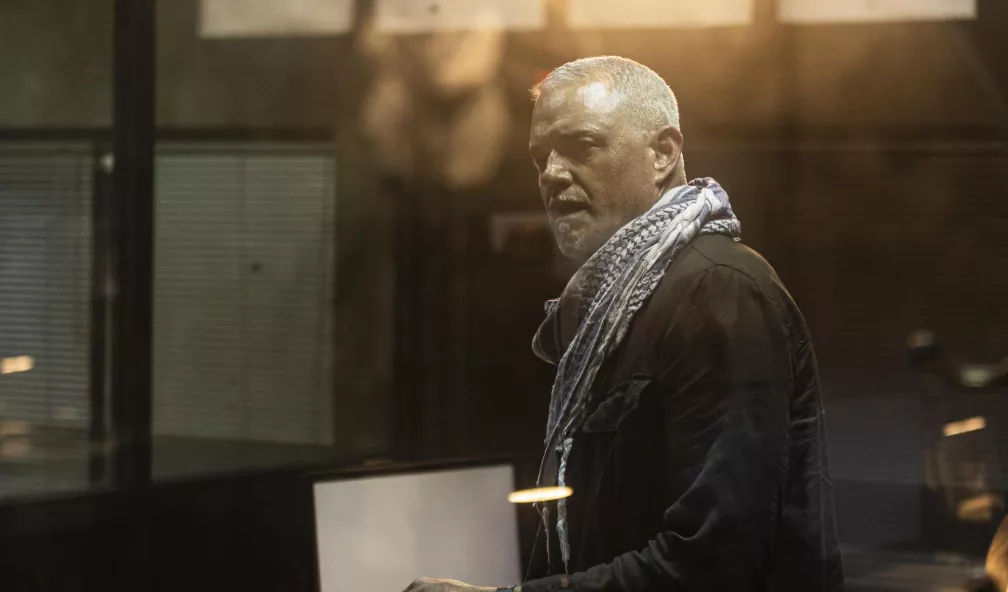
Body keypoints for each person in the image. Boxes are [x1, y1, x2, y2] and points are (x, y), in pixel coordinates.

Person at [405, 56, 844, 592]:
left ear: (663, 154)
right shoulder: (626, 305)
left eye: (581, 145)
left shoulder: (717, 290)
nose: (551, 174)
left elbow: (714, 564)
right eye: (541, 157)